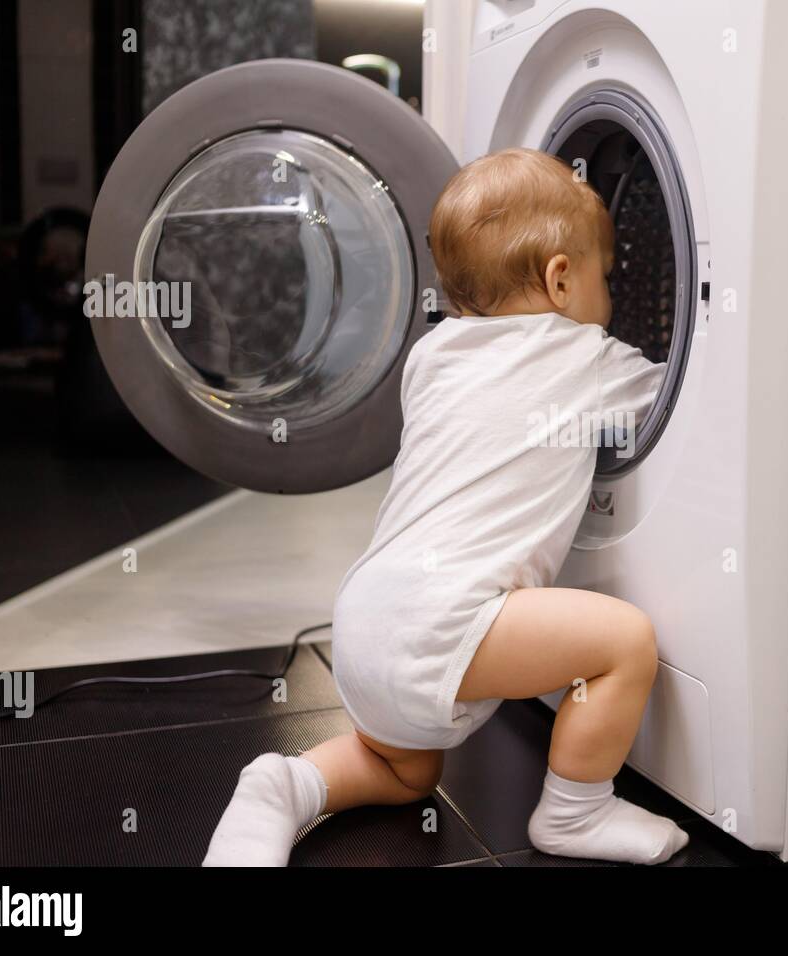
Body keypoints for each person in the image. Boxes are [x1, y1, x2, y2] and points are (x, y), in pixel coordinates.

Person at [204, 147, 687, 866]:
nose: (610, 299)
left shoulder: (433, 358)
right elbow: (691, 396)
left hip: (367, 619)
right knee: (625, 644)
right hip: (444, 621)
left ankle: (286, 784)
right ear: (561, 281)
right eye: (606, 279)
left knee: (405, 772)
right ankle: (577, 812)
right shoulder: (587, 357)